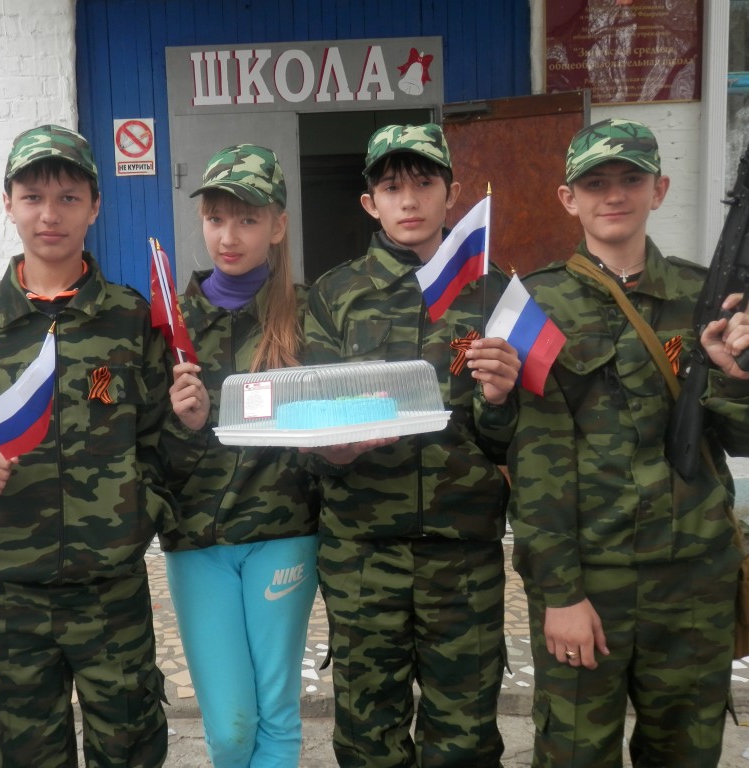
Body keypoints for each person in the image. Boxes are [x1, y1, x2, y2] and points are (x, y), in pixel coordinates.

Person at [506, 118, 749, 767]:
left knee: (685, 754)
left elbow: (748, 437)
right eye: (595, 183)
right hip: (591, 581)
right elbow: (534, 464)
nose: (614, 195)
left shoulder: (711, 296)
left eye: (630, 179)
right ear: (568, 198)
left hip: (694, 582)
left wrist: (743, 378)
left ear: (660, 189)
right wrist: (561, 593)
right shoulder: (533, 304)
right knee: (573, 754)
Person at [0, 124, 175, 768]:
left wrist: (140, 514)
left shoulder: (129, 318)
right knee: (29, 753)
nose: (50, 214)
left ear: (95, 206)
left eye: (69, 198)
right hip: (13, 591)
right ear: (8, 204)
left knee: (128, 745)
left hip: (111, 589)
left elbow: (162, 439)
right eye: (33, 197)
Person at [303, 123, 521, 767]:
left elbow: (511, 441)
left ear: (451, 193)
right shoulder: (335, 295)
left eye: (424, 183)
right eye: (392, 187)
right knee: (368, 738)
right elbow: (309, 420)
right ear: (369, 202)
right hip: (362, 553)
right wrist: (330, 450)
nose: (409, 200)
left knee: (465, 739)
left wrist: (501, 400)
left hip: (463, 553)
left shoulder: (495, 292)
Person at [160, 144, 319, 766]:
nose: (229, 236)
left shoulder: (309, 314)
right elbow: (149, 448)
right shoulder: (168, 323)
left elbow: (334, 424)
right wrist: (190, 425)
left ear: (278, 226)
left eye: (248, 219)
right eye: (216, 218)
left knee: (276, 712)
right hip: (197, 540)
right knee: (229, 726)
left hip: (284, 534)